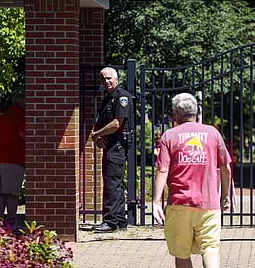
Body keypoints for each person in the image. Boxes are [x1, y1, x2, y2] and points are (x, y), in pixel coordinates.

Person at [153, 93, 232, 268]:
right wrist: (225, 195)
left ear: (175, 114)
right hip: (209, 204)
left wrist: (156, 201)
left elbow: (162, 169)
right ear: (197, 112)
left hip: (179, 203)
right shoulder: (213, 133)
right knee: (210, 248)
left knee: (181, 253)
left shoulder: (169, 136)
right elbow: (226, 166)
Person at [91, 67, 134, 233]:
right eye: (103, 79)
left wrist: (96, 134)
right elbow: (103, 122)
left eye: (109, 78)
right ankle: (120, 220)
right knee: (114, 183)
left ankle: (110, 222)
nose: (106, 82)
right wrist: (100, 136)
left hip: (117, 146)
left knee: (111, 183)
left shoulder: (122, 97)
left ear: (116, 79)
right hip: (111, 145)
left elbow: (117, 123)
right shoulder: (108, 99)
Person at [0, 93, 26, 227]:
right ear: (22, 100)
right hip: (12, 158)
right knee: (11, 193)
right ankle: (12, 221)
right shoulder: (20, 114)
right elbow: (25, 136)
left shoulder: (4, 115)